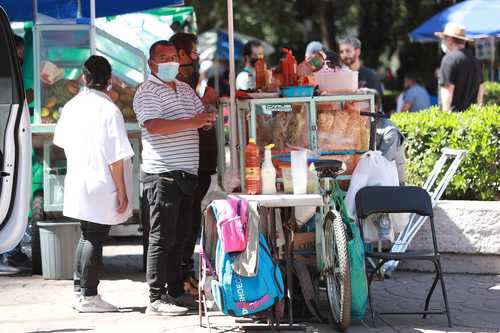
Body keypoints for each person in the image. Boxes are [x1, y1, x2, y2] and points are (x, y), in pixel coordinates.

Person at [133, 40, 216, 316]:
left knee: (181, 238)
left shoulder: (183, 88)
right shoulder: (147, 91)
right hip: (162, 175)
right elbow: (154, 126)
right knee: (161, 238)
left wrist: (205, 119)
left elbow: (197, 113)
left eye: (172, 57)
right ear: (151, 63)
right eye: (163, 57)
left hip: (186, 174)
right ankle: (155, 298)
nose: (170, 61)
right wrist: (193, 122)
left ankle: (176, 292)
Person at [54, 55, 134, 312]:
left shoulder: (72, 106)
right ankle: (89, 296)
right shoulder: (110, 110)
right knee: (94, 238)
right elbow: (116, 157)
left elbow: (62, 143)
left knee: (87, 234)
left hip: (79, 178)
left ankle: (80, 291)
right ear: (110, 80)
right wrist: (122, 191)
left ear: (84, 78)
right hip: (102, 182)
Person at [170, 32, 218, 294]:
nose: (196, 58)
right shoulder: (174, 83)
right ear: (180, 55)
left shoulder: (190, 81)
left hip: (200, 164)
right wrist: (206, 103)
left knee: (190, 225)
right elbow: (185, 118)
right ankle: (179, 280)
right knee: (184, 227)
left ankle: (184, 275)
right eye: (193, 53)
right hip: (188, 165)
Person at [436, 22, 484, 112]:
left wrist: (445, 117)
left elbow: (447, 90)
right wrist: (478, 112)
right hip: (472, 117)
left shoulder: (449, 59)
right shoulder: (476, 61)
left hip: (455, 118)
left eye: (444, 38)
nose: (442, 41)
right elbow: (480, 90)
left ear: (450, 39)